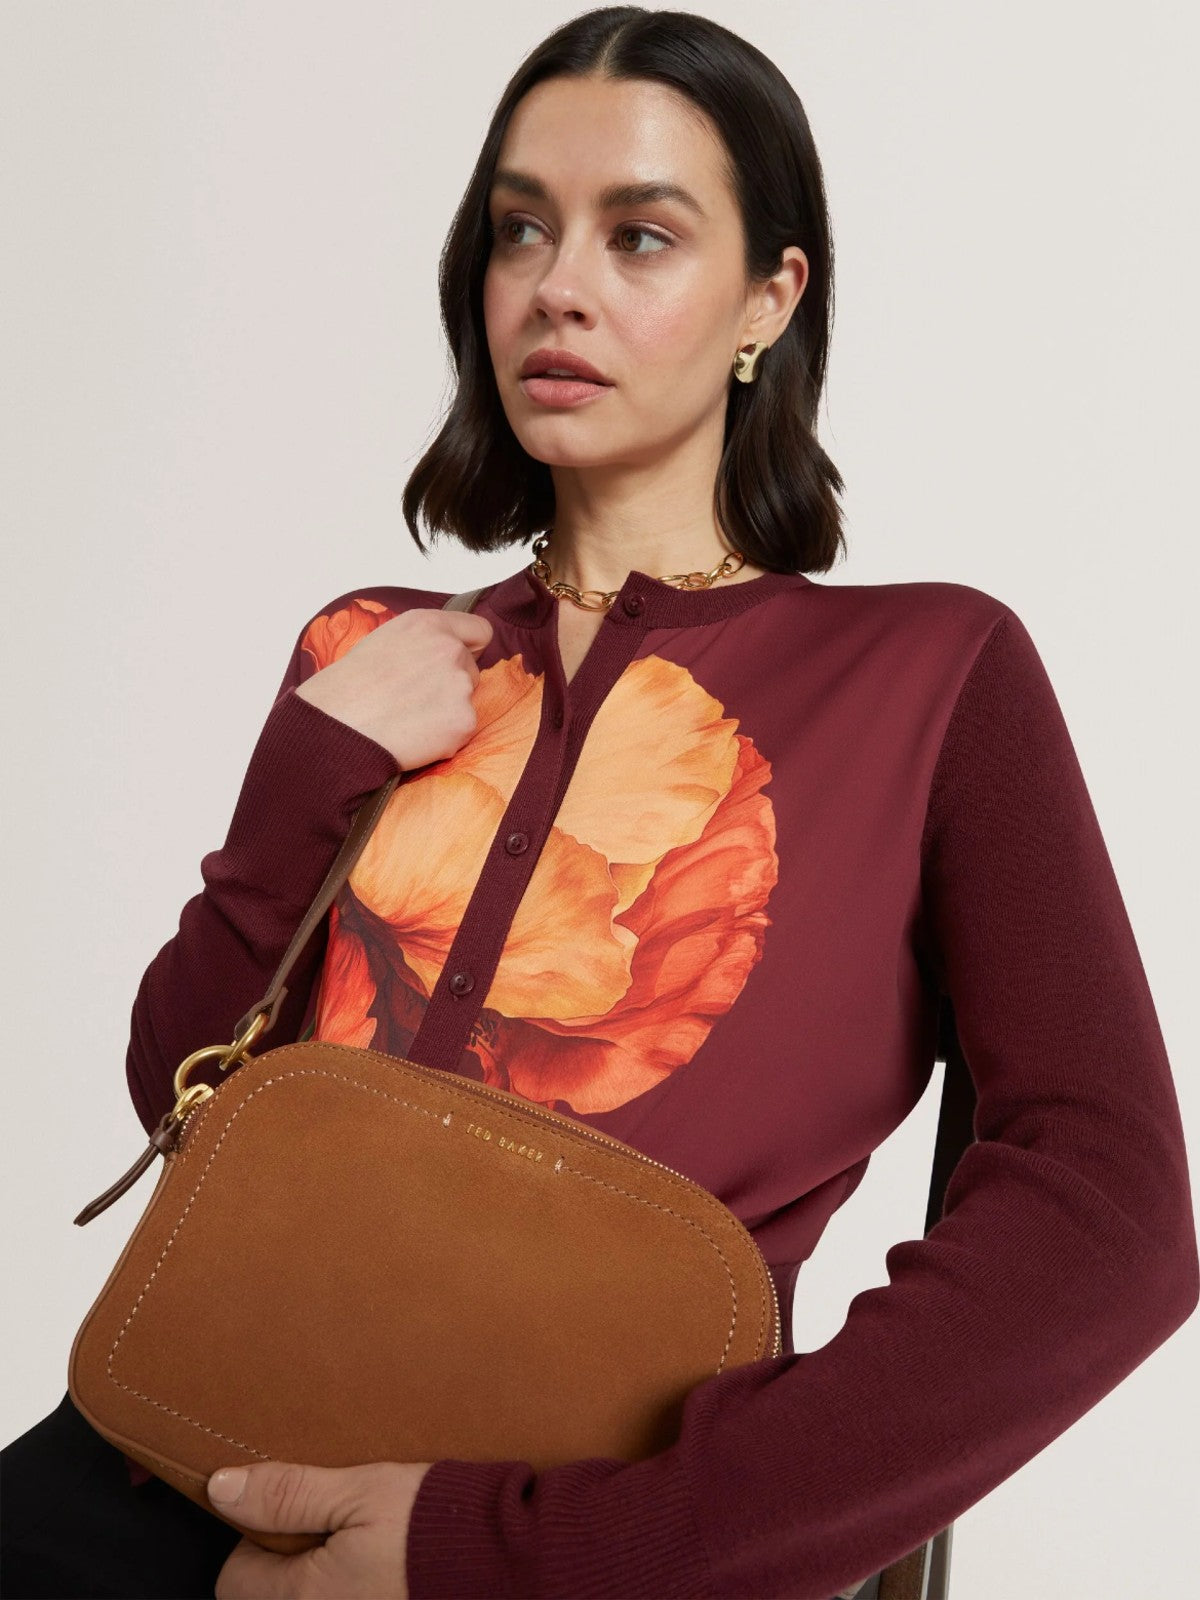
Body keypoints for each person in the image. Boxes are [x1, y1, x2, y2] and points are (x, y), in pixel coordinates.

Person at [3, 7, 1196, 1599]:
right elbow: (181, 1094)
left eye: (640, 235)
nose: (556, 286)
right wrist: (310, 767)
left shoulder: (933, 674)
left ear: (772, 297)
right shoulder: (370, 649)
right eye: (521, 229)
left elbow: (1109, 1223)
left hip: (571, 1544)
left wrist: (538, 1555)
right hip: (165, 1460)